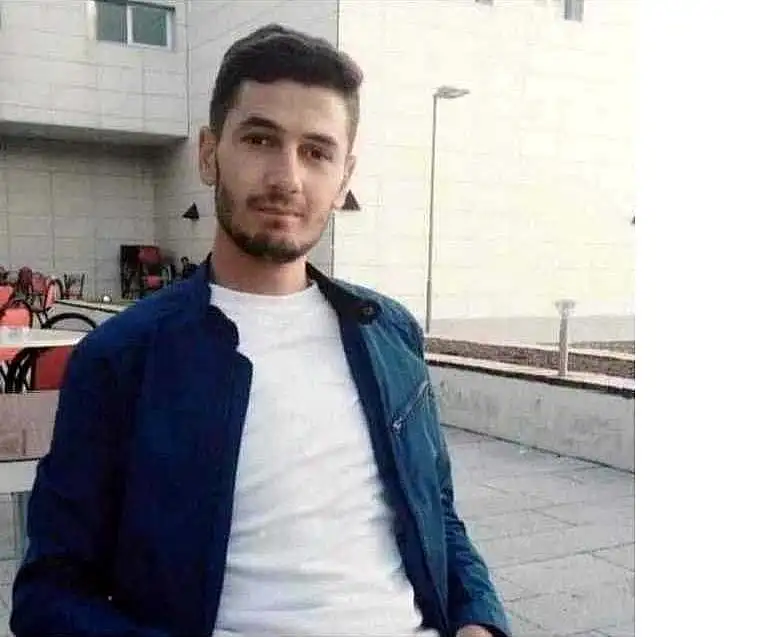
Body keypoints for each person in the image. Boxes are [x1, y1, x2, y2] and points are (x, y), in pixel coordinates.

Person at [10, 24, 509, 637]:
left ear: (344, 177)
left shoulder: (388, 333)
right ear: (208, 153)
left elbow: (441, 517)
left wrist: (481, 621)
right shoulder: (124, 357)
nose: (286, 178)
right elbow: (48, 595)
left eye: (316, 152)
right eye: (260, 139)